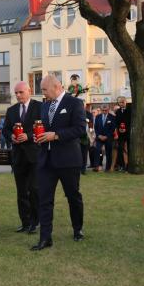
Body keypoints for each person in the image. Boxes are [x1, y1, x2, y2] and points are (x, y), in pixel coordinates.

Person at [31, 75, 86, 251]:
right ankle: (45, 238)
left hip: (68, 160)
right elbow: (43, 128)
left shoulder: (74, 103)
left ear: (56, 87)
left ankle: (78, 229)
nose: (43, 93)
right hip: (46, 161)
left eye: (45, 90)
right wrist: (38, 136)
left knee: (73, 196)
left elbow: (79, 129)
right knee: (44, 200)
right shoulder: (45, 105)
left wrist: (55, 135)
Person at [2, 81, 42, 233]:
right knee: (21, 191)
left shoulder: (39, 107)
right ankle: (25, 222)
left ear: (29, 91)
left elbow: (44, 126)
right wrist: (11, 136)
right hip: (18, 156)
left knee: (34, 189)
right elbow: (5, 129)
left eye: (21, 92)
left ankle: (35, 221)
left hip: (35, 155)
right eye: (16, 93)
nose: (18, 95)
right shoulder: (11, 110)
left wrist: (29, 136)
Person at [93, 104, 116, 172]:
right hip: (99, 137)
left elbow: (113, 128)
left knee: (108, 152)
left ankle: (108, 167)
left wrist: (107, 136)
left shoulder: (112, 117)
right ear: (101, 110)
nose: (104, 111)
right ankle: (96, 167)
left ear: (108, 110)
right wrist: (98, 135)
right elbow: (95, 127)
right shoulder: (97, 117)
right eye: (103, 110)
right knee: (97, 150)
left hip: (108, 138)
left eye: (106, 110)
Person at [114, 96, 130, 171]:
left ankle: (128, 165)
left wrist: (126, 129)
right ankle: (122, 165)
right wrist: (119, 129)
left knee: (128, 149)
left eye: (123, 102)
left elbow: (130, 122)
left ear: (125, 102)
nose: (122, 103)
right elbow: (116, 122)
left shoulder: (130, 110)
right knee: (120, 149)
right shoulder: (117, 112)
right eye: (120, 102)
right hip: (120, 134)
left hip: (128, 133)